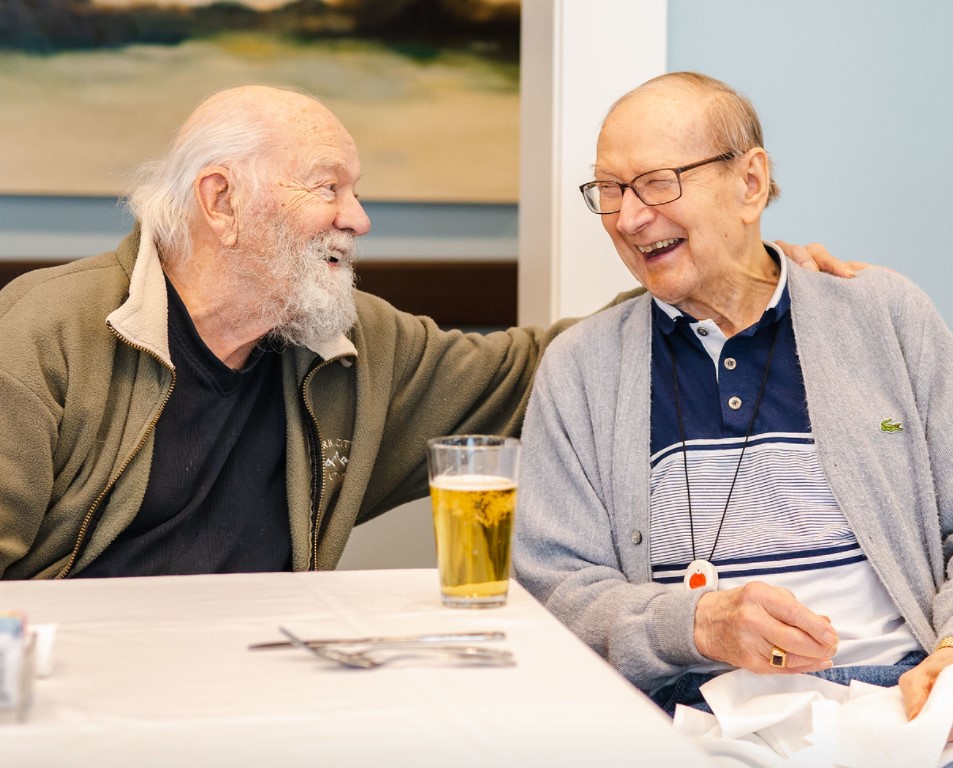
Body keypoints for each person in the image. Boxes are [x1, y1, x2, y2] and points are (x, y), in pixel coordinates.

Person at [0, 84, 843, 581]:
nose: (357, 218)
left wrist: (734, 274)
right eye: (328, 188)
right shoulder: (47, 334)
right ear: (220, 202)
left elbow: (534, 371)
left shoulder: (351, 346)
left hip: (258, 696)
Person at [512, 72, 953, 734]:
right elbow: (554, 593)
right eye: (609, 190)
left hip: (900, 706)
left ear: (749, 184)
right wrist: (696, 624)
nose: (629, 218)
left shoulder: (885, 317)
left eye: (656, 182)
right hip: (688, 719)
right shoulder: (581, 368)